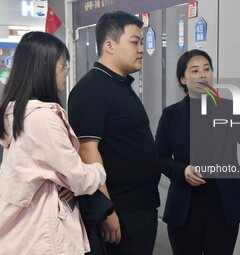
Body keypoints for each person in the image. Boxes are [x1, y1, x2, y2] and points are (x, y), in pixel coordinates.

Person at [155, 49, 240, 255]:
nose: (203, 74)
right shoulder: (171, 115)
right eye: (194, 70)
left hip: (223, 207)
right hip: (185, 207)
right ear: (183, 79)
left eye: (207, 69)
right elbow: (159, 158)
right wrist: (183, 171)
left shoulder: (229, 109)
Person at [0, 32, 106, 255]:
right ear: (44, 68)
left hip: (24, 233)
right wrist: (98, 170)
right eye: (62, 66)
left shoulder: (17, 112)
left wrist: (62, 181)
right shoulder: (41, 118)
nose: (66, 73)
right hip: (44, 236)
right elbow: (77, 177)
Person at [68, 11, 161, 255]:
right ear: (109, 45)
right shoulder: (91, 90)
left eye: (141, 42)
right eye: (134, 42)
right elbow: (88, 151)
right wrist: (106, 211)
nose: (141, 49)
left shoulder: (120, 84)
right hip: (120, 212)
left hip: (140, 208)